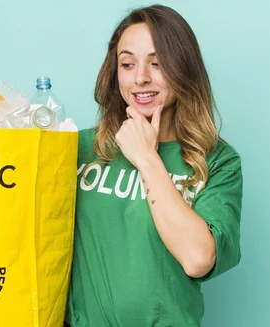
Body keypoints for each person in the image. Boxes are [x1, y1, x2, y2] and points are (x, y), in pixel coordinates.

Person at [65, 4, 243, 327]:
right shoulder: (80, 148)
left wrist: (147, 158)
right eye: (127, 63)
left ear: (183, 68)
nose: (141, 78)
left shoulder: (217, 162)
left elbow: (198, 258)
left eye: (157, 63)